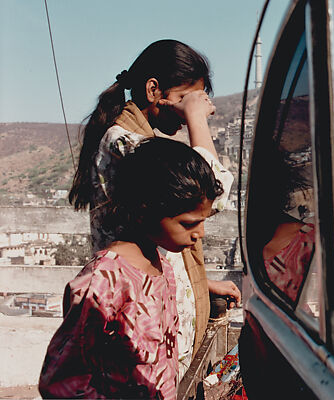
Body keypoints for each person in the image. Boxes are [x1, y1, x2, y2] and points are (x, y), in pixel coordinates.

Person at [67, 39, 240, 379]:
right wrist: (196, 120)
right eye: (185, 98)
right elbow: (212, 192)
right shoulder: (124, 142)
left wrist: (197, 282)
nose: (196, 106)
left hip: (156, 311)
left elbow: (162, 233)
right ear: (152, 90)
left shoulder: (138, 141)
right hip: (139, 317)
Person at [39, 138, 223, 399]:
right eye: (188, 223)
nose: (199, 235)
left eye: (202, 222)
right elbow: (59, 382)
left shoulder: (162, 268)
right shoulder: (104, 281)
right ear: (143, 210)